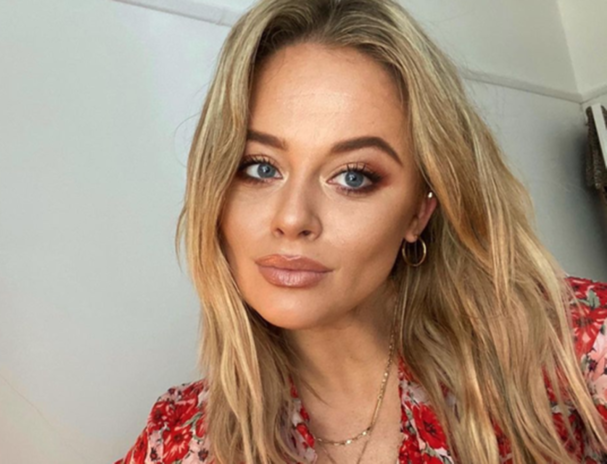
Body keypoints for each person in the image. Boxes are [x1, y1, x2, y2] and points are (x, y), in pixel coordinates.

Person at [115, 0, 607, 462]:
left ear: (419, 211)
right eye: (260, 168)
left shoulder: (566, 348)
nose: (292, 218)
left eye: (353, 177)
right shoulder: (181, 438)